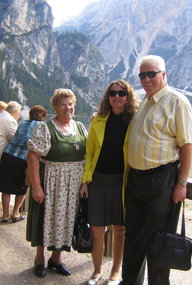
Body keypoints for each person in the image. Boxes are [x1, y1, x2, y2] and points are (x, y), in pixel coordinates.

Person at [121, 55, 192, 285]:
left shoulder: (177, 102)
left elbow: (187, 145)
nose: (146, 79)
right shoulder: (145, 101)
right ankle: (130, 282)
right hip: (136, 180)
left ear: (164, 74)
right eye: (142, 75)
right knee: (132, 237)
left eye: (151, 73)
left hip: (161, 180)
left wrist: (181, 183)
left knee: (158, 239)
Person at [80, 80, 138, 285]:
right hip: (98, 180)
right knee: (96, 228)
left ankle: (115, 273)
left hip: (122, 182)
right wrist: (85, 180)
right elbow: (89, 152)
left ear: (128, 96)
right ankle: (96, 272)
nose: (116, 97)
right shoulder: (98, 120)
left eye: (121, 93)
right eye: (112, 93)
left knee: (120, 229)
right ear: (108, 97)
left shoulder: (135, 120)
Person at [26, 89, 87, 278]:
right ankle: (39, 258)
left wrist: (85, 183)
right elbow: (32, 156)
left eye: (70, 104)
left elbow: (87, 156)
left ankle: (56, 258)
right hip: (51, 182)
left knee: (66, 220)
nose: (67, 108)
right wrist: (37, 186)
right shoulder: (45, 128)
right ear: (55, 107)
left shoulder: (80, 127)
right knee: (44, 219)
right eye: (63, 104)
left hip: (73, 185)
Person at [0, 105, 48, 223]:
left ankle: (5, 215)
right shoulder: (42, 126)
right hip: (23, 159)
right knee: (22, 187)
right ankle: (15, 213)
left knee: (6, 187)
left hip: (8, 155)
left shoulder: (23, 123)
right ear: (43, 117)